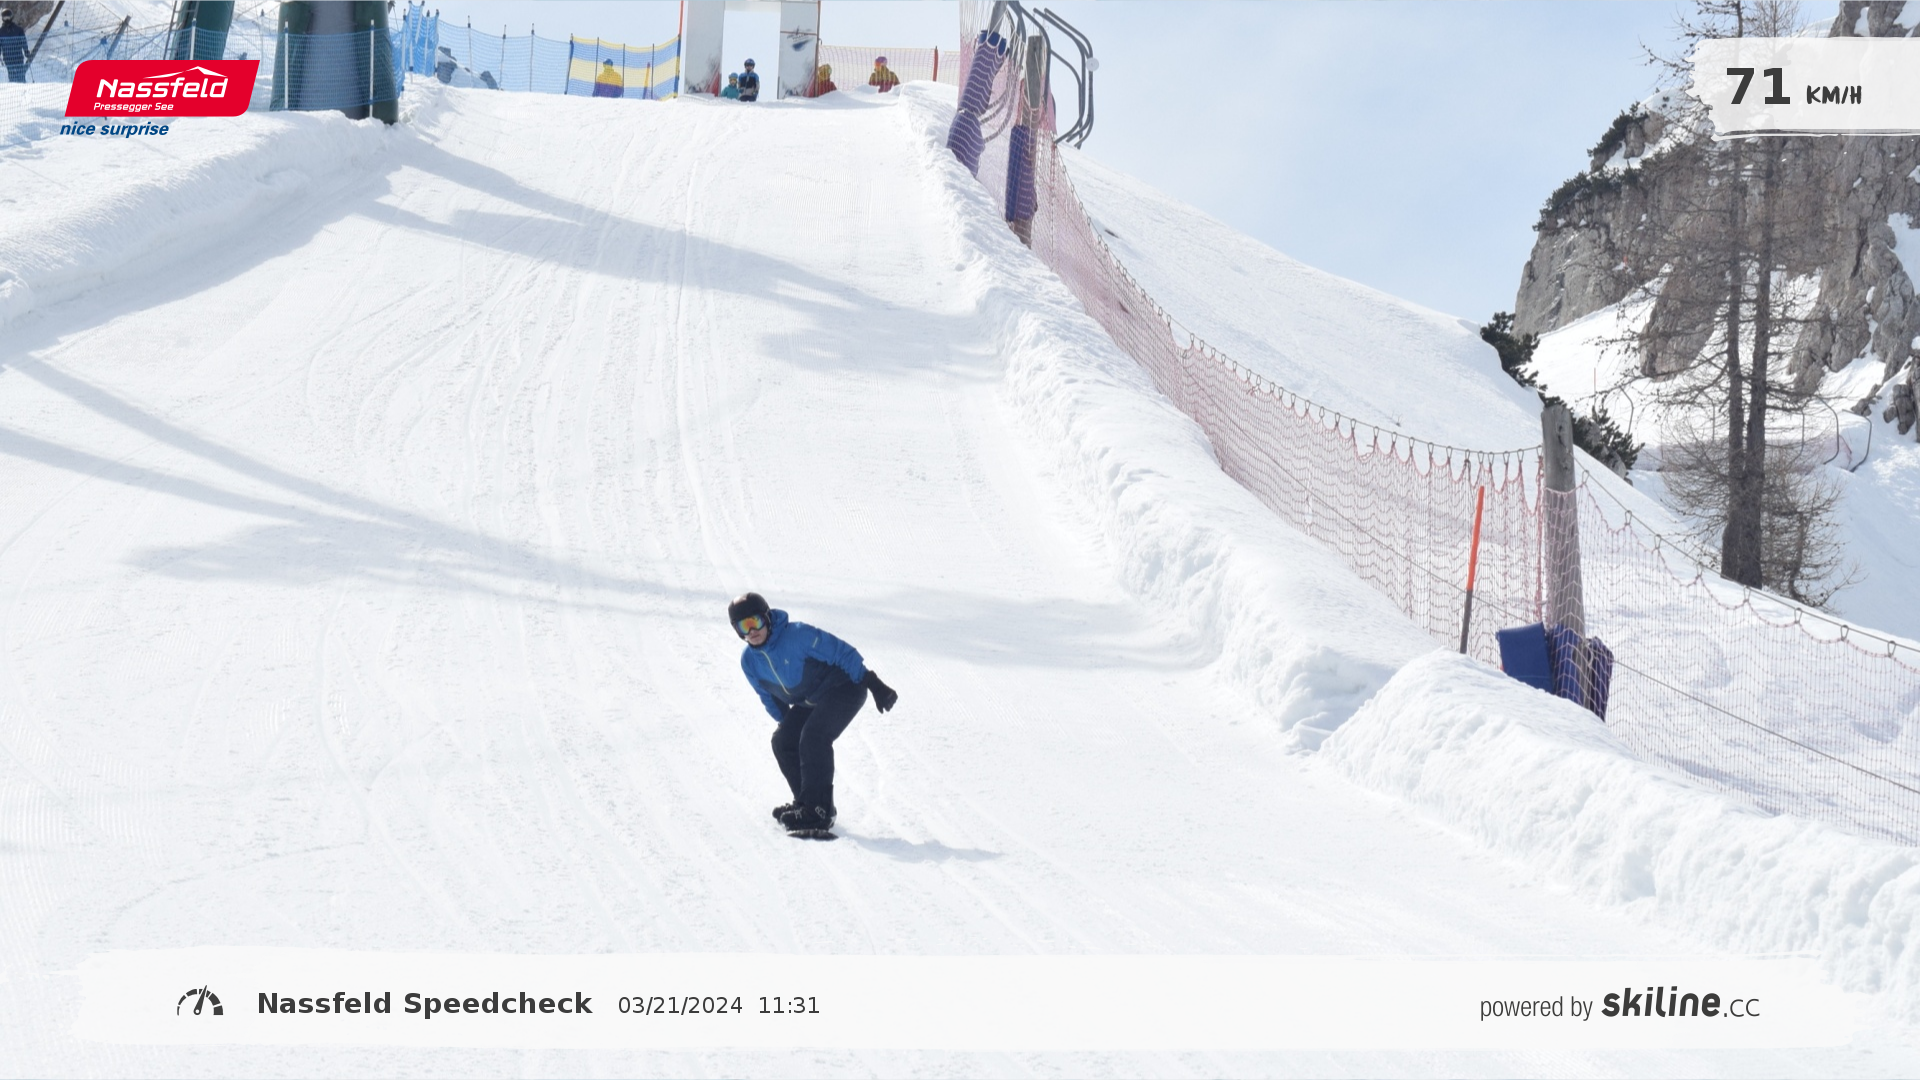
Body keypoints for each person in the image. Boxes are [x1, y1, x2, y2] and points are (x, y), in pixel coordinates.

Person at [728, 592, 898, 838]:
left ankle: (820, 811)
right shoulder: (749, 662)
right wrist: (788, 726)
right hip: (811, 700)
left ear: (767, 618)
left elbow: (841, 651)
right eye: (744, 626)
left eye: (756, 621)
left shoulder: (797, 635)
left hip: (845, 687)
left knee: (814, 737)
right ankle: (806, 804)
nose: (752, 631)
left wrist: (873, 683)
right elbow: (768, 697)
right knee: (783, 741)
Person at [0, 8, 29, 84]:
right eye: (5, 18)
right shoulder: (1, 31)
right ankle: (15, 87)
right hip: (8, 57)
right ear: (2, 18)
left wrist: (26, 51)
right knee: (12, 75)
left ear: (11, 17)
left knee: (20, 75)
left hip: (17, 56)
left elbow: (23, 41)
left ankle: (22, 86)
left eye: (8, 17)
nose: (7, 20)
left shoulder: (18, 29)